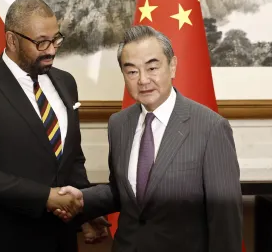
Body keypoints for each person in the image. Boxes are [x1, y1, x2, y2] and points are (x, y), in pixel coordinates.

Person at [56, 25, 243, 252]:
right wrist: (83, 198)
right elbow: (122, 192)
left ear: (172, 66)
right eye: (132, 71)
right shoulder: (119, 124)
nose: (143, 80)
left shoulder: (211, 128)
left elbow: (225, 221)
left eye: (152, 68)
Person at [0, 0, 95, 252]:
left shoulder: (66, 82)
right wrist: (45, 197)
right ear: (12, 40)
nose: (51, 50)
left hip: (60, 238)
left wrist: (86, 213)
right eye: (41, 42)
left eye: (56, 39)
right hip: (3, 239)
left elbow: (73, 157)